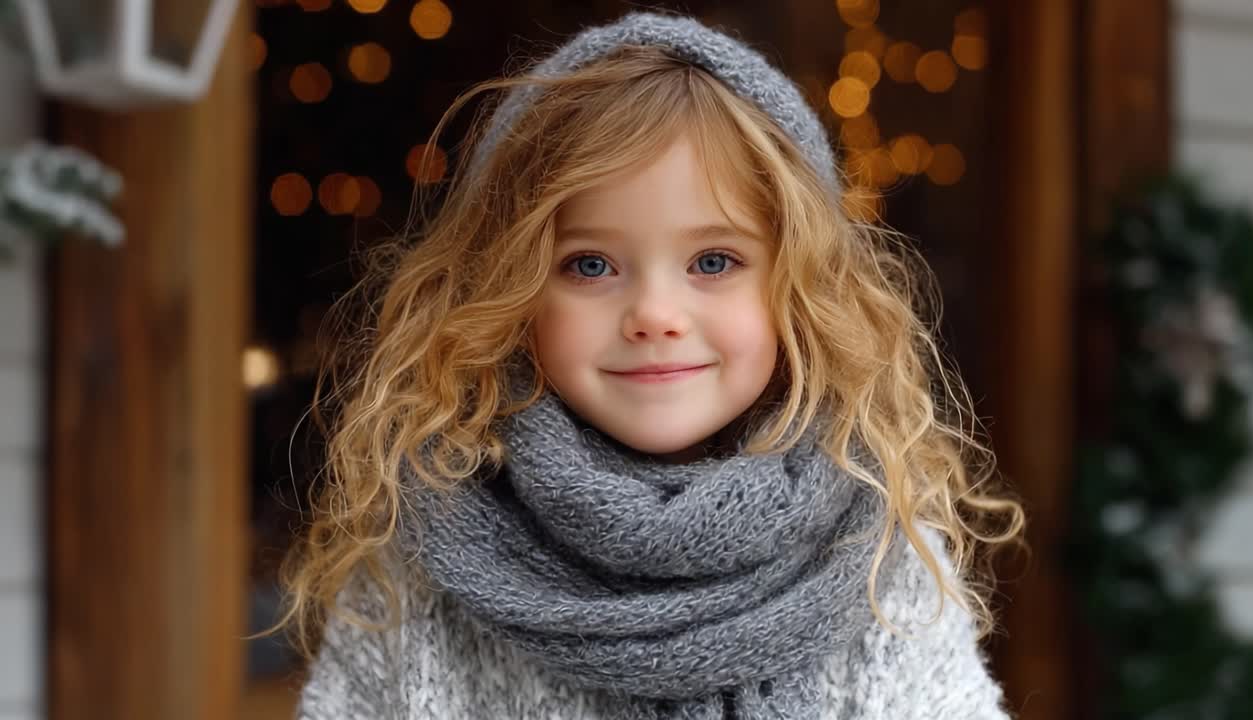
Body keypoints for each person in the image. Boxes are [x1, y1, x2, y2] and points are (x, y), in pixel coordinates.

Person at [277, 10, 1026, 719]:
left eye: (713, 259)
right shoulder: (422, 562)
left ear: (801, 288)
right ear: (509, 288)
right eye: (591, 264)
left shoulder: (876, 557)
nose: (655, 315)